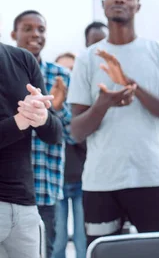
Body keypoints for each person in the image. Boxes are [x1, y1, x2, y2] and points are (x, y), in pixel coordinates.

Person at [67, 0, 159, 245]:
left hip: (152, 177)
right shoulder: (87, 58)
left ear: (137, 6)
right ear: (104, 3)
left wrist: (133, 86)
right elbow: (76, 130)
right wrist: (104, 102)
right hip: (101, 182)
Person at [11, 10, 73, 258]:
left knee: (44, 251)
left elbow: (70, 134)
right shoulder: (6, 72)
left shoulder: (60, 76)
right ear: (14, 34)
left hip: (45, 188)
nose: (35, 34)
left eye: (41, 30)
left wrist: (56, 110)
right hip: (8, 190)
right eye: (27, 29)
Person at [0, 39, 63, 258]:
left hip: (24, 207)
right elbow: (19, 123)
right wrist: (18, 121)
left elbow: (55, 134)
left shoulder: (23, 59)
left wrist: (42, 117)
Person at [52, 52, 86, 258]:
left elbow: (78, 136)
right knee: (57, 242)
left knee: (83, 242)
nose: (67, 75)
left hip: (84, 180)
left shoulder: (84, 105)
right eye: (62, 71)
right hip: (56, 182)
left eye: (72, 70)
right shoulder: (48, 102)